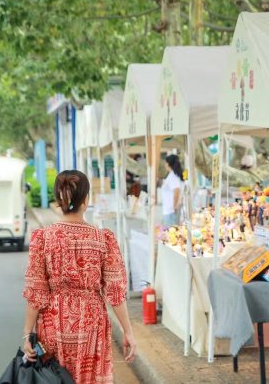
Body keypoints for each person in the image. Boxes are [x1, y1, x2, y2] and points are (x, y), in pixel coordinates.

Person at [22, 170, 135, 384]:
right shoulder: (103, 239)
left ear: (58, 199)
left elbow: (36, 291)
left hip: (53, 323)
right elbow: (115, 292)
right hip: (91, 322)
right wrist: (127, 331)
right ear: (86, 200)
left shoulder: (43, 238)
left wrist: (27, 333)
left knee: (52, 378)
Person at [161, 155, 183, 226]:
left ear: (167, 164)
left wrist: (175, 207)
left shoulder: (172, 176)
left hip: (170, 211)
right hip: (170, 211)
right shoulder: (173, 175)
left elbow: (177, 191)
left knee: (170, 234)